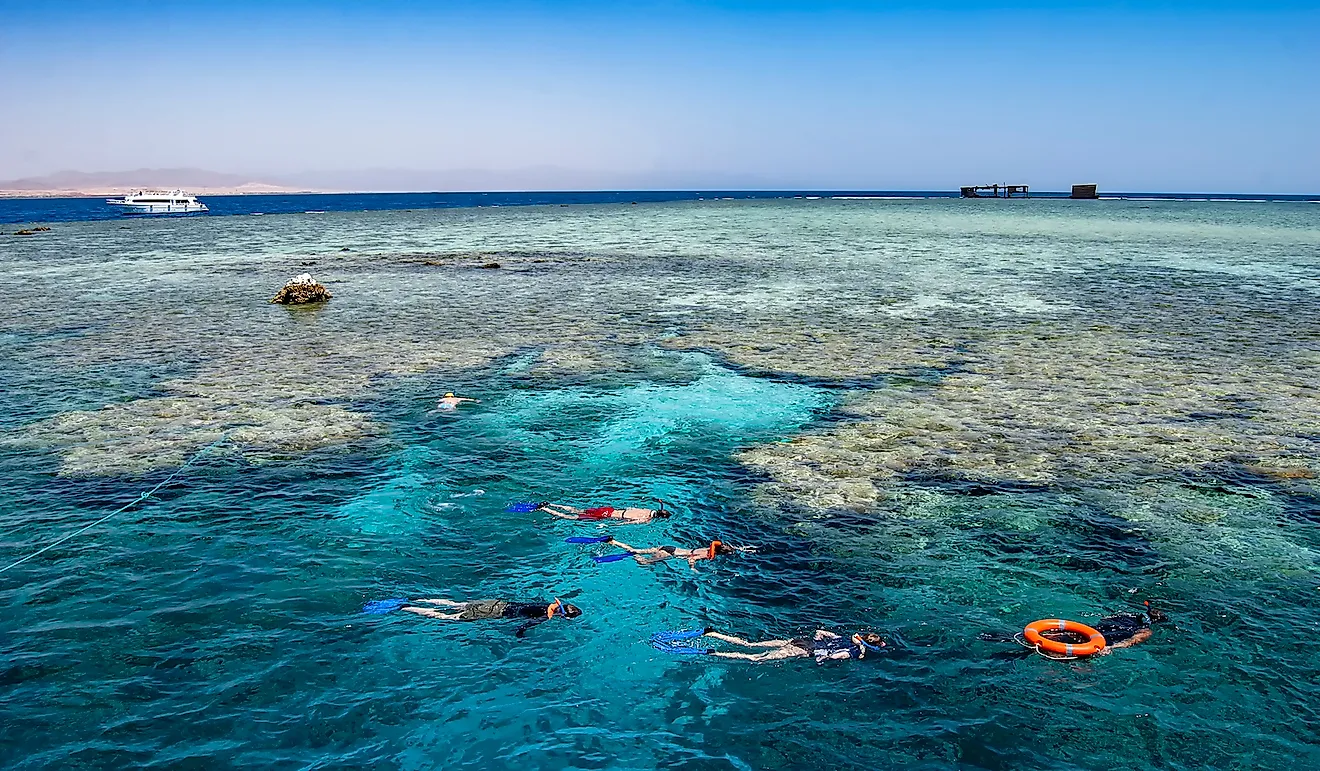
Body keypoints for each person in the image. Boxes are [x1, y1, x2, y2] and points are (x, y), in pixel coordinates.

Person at [980, 602, 1169, 657]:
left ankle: (1000, 638)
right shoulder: (1146, 630)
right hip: (1101, 641)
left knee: (1054, 637)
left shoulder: (1124, 615)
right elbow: (1130, 642)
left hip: (1089, 631)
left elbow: (1104, 619)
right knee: (1057, 652)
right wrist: (1111, 649)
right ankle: (1011, 654)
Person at [400, 597, 581, 637]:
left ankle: (419, 599)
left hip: (496, 602)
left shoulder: (547, 603)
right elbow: (523, 627)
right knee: (448, 617)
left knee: (456, 604)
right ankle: (407, 608)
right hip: (494, 613)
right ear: (563, 616)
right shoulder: (545, 617)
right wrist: (519, 636)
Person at [694, 628, 886, 663]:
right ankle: (713, 653)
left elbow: (821, 632)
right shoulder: (852, 650)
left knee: (750, 644)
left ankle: (714, 634)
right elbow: (835, 656)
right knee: (754, 658)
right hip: (802, 650)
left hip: (797, 641)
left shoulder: (844, 637)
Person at [604, 537, 748, 569]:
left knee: (637, 548)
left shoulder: (708, 548)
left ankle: (616, 542)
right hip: (670, 554)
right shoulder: (708, 555)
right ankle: (630, 554)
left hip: (670, 547)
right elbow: (691, 558)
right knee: (644, 562)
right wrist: (692, 568)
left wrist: (741, 548)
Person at [538, 499, 672, 524]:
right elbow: (627, 523)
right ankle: (544, 508)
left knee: (577, 510)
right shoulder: (646, 520)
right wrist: (616, 525)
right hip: (608, 516)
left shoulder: (648, 510)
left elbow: (660, 510)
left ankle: (551, 504)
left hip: (610, 510)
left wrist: (660, 504)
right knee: (571, 517)